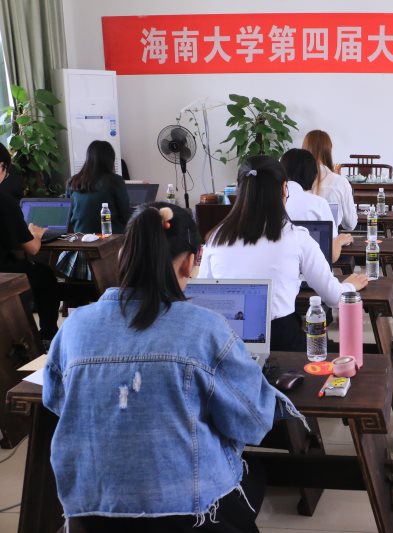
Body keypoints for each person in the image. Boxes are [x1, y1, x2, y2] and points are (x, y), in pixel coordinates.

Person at [43, 202, 299, 532]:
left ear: (122, 255)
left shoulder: (75, 326)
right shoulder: (207, 328)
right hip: (186, 513)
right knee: (255, 473)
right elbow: (252, 421)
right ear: (191, 261)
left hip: (90, 513)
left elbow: (57, 402)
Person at [198, 156, 368, 352]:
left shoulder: (216, 237)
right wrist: (350, 285)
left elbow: (203, 294)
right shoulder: (296, 237)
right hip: (280, 340)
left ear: (240, 189)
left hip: (225, 341)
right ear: (284, 189)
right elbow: (333, 297)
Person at [0, 143, 60, 340]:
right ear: (1, 166)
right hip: (4, 274)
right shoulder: (5, 202)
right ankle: (48, 336)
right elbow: (32, 249)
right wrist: (36, 233)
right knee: (44, 274)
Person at [280, 148, 354, 262]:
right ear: (313, 175)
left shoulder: (266, 203)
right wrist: (340, 240)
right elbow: (331, 253)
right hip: (312, 268)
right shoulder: (318, 203)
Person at [67, 140, 130, 234]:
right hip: (111, 237)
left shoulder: (73, 181)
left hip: (80, 237)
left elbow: (68, 215)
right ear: (110, 160)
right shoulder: (115, 181)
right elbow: (125, 216)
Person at [302, 130, 358, 231]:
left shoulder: (293, 181)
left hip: (298, 239)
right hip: (330, 239)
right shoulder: (340, 182)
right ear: (329, 150)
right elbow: (350, 224)